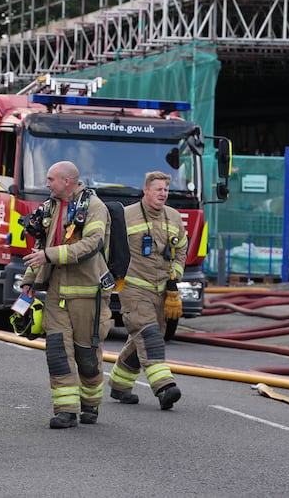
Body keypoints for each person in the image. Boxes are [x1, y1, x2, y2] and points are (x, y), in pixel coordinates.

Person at [21, 161, 112, 429]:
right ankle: (65, 410)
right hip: (56, 296)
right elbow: (41, 246)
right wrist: (29, 283)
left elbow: (91, 244)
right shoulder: (50, 207)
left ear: (67, 181)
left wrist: (50, 255)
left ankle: (91, 404)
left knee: (87, 356)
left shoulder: (95, 208)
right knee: (58, 353)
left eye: (51, 179)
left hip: (88, 296)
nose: (46, 184)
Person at [108, 171, 187, 410]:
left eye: (166, 190)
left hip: (163, 291)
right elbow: (111, 248)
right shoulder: (126, 216)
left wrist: (176, 276)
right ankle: (164, 387)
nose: (163, 194)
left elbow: (182, 248)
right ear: (146, 190)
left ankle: (119, 386)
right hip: (133, 289)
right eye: (158, 189)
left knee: (142, 338)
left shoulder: (173, 217)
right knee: (149, 335)